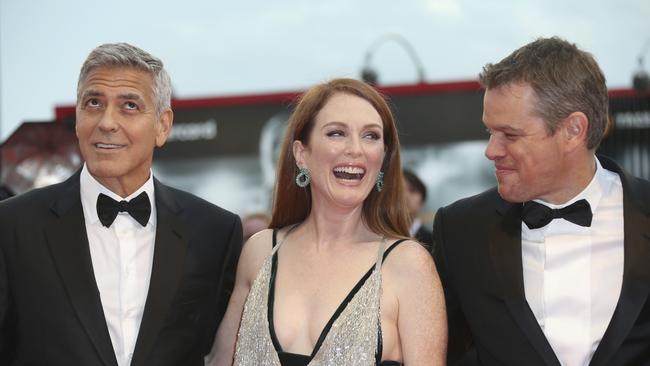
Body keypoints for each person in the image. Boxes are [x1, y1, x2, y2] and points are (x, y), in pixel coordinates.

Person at [0, 43, 243, 366]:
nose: (107, 122)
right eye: (93, 103)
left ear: (163, 125)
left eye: (129, 105)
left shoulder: (215, 232)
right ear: (77, 118)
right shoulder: (12, 225)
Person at [432, 36, 650, 366]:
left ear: (573, 131)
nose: (491, 150)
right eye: (490, 132)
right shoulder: (461, 229)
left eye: (510, 135)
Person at [208, 78, 447, 365]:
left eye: (371, 136)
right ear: (301, 153)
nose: (356, 149)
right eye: (336, 133)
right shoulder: (260, 252)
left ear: (383, 158)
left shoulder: (408, 265)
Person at [402, 169, 433, 246]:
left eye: (412, 190)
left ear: (422, 202)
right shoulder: (374, 237)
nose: (405, 196)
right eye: (398, 189)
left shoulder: (433, 242)